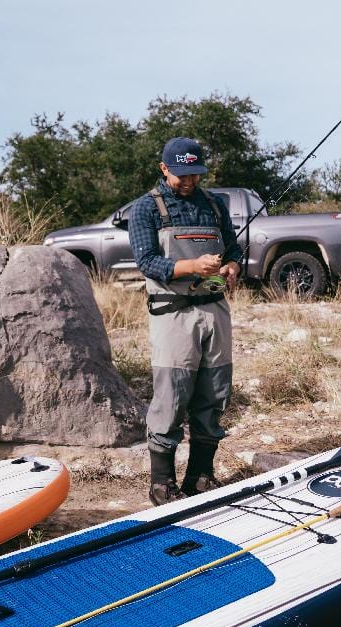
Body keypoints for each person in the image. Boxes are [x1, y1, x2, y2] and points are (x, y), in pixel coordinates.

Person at [128, 137, 242, 504]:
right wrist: (190, 266)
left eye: (195, 174)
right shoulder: (146, 209)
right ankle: (162, 485)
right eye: (181, 175)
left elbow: (235, 247)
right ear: (164, 169)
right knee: (172, 396)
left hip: (215, 309)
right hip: (171, 312)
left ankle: (201, 477)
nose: (189, 181)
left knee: (216, 392)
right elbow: (147, 261)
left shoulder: (215, 204)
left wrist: (231, 266)